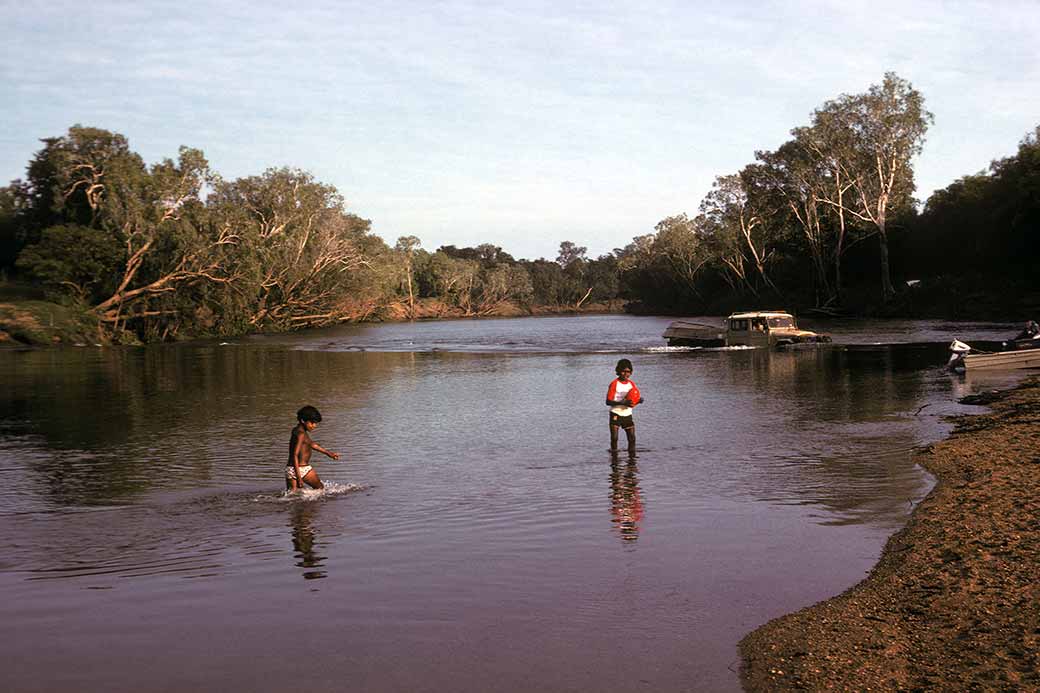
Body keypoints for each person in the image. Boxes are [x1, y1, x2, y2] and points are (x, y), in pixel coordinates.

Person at [286, 405, 339, 491]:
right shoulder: (301, 434)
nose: (314, 426)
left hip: (290, 469)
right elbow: (295, 455)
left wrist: (328, 453)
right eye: (312, 423)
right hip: (302, 469)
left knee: (291, 496)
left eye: (316, 423)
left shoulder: (296, 430)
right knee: (320, 488)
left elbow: (311, 444)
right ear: (303, 421)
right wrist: (299, 477)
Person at [606, 358, 643, 453]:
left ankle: (632, 460)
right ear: (618, 371)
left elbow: (632, 399)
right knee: (614, 438)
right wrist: (622, 403)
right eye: (623, 371)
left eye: (628, 372)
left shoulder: (631, 384)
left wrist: (638, 401)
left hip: (627, 414)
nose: (626, 374)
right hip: (616, 413)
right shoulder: (614, 384)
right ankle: (614, 458)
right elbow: (608, 401)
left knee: (632, 438)